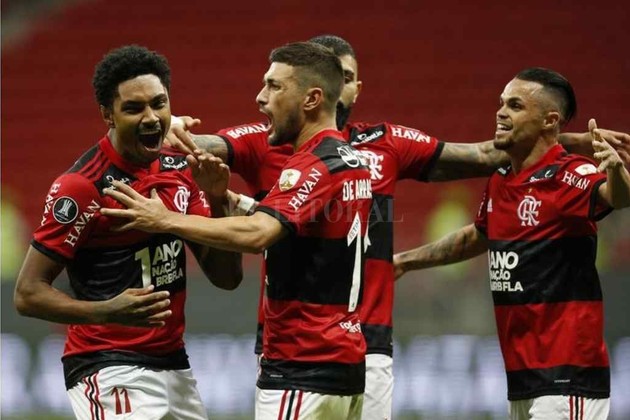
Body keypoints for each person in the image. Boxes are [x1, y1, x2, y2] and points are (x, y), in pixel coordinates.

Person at [166, 35, 630, 420]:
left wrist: (561, 139)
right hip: (290, 341)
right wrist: (172, 130)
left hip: (367, 344)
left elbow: (485, 153)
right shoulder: (265, 141)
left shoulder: (386, 143)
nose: (340, 86)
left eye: (347, 76)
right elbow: (204, 149)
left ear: (352, 87)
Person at [101, 41, 373, 420]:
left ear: (311, 99)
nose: (261, 97)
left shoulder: (314, 164)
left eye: (274, 86)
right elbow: (297, 227)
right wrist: (222, 197)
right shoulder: (352, 160)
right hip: (343, 361)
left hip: (304, 363)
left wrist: (165, 219)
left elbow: (259, 234)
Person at [14, 45, 243, 420]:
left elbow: (227, 277)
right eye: (134, 108)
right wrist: (106, 311)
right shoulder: (82, 187)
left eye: (159, 103)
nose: (151, 118)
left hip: (174, 364)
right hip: (108, 366)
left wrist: (217, 201)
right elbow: (27, 294)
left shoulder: (180, 169)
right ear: (108, 114)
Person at [393, 68, 630, 420]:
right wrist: (405, 261)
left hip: (568, 376)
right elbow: (478, 236)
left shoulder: (568, 173)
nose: (501, 113)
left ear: (550, 121)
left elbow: (617, 197)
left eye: (515, 106)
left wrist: (616, 170)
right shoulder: (502, 178)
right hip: (523, 378)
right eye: (502, 103)